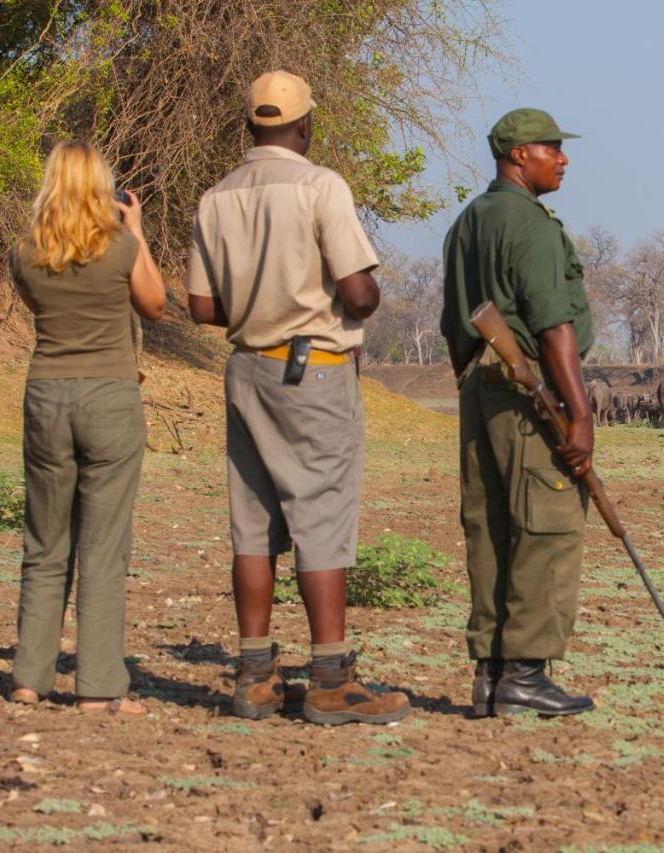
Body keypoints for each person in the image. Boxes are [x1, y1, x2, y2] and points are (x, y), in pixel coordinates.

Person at [185, 70, 409, 725]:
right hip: (309, 369)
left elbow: (201, 305)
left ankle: (254, 675)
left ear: (250, 126)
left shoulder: (215, 197)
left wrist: (255, 301)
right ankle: (331, 678)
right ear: (306, 125)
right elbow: (360, 291)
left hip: (246, 367)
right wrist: (350, 296)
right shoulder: (321, 186)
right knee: (321, 516)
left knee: (252, 525)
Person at [440, 108, 596, 717]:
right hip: (530, 393)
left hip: (479, 388)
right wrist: (577, 413)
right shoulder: (529, 224)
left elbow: (457, 325)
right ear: (517, 156)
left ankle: (491, 674)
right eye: (551, 149)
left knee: (490, 528)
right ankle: (527, 674)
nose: (563, 159)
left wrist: (474, 388)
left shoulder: (466, 222)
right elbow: (552, 324)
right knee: (547, 525)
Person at [8, 140, 166, 716]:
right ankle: (98, 686)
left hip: (47, 395)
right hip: (109, 398)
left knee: (45, 544)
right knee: (103, 549)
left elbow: (36, 305)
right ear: (102, 184)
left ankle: (29, 677)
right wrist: (138, 229)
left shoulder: (26, 250)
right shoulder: (121, 245)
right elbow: (154, 304)